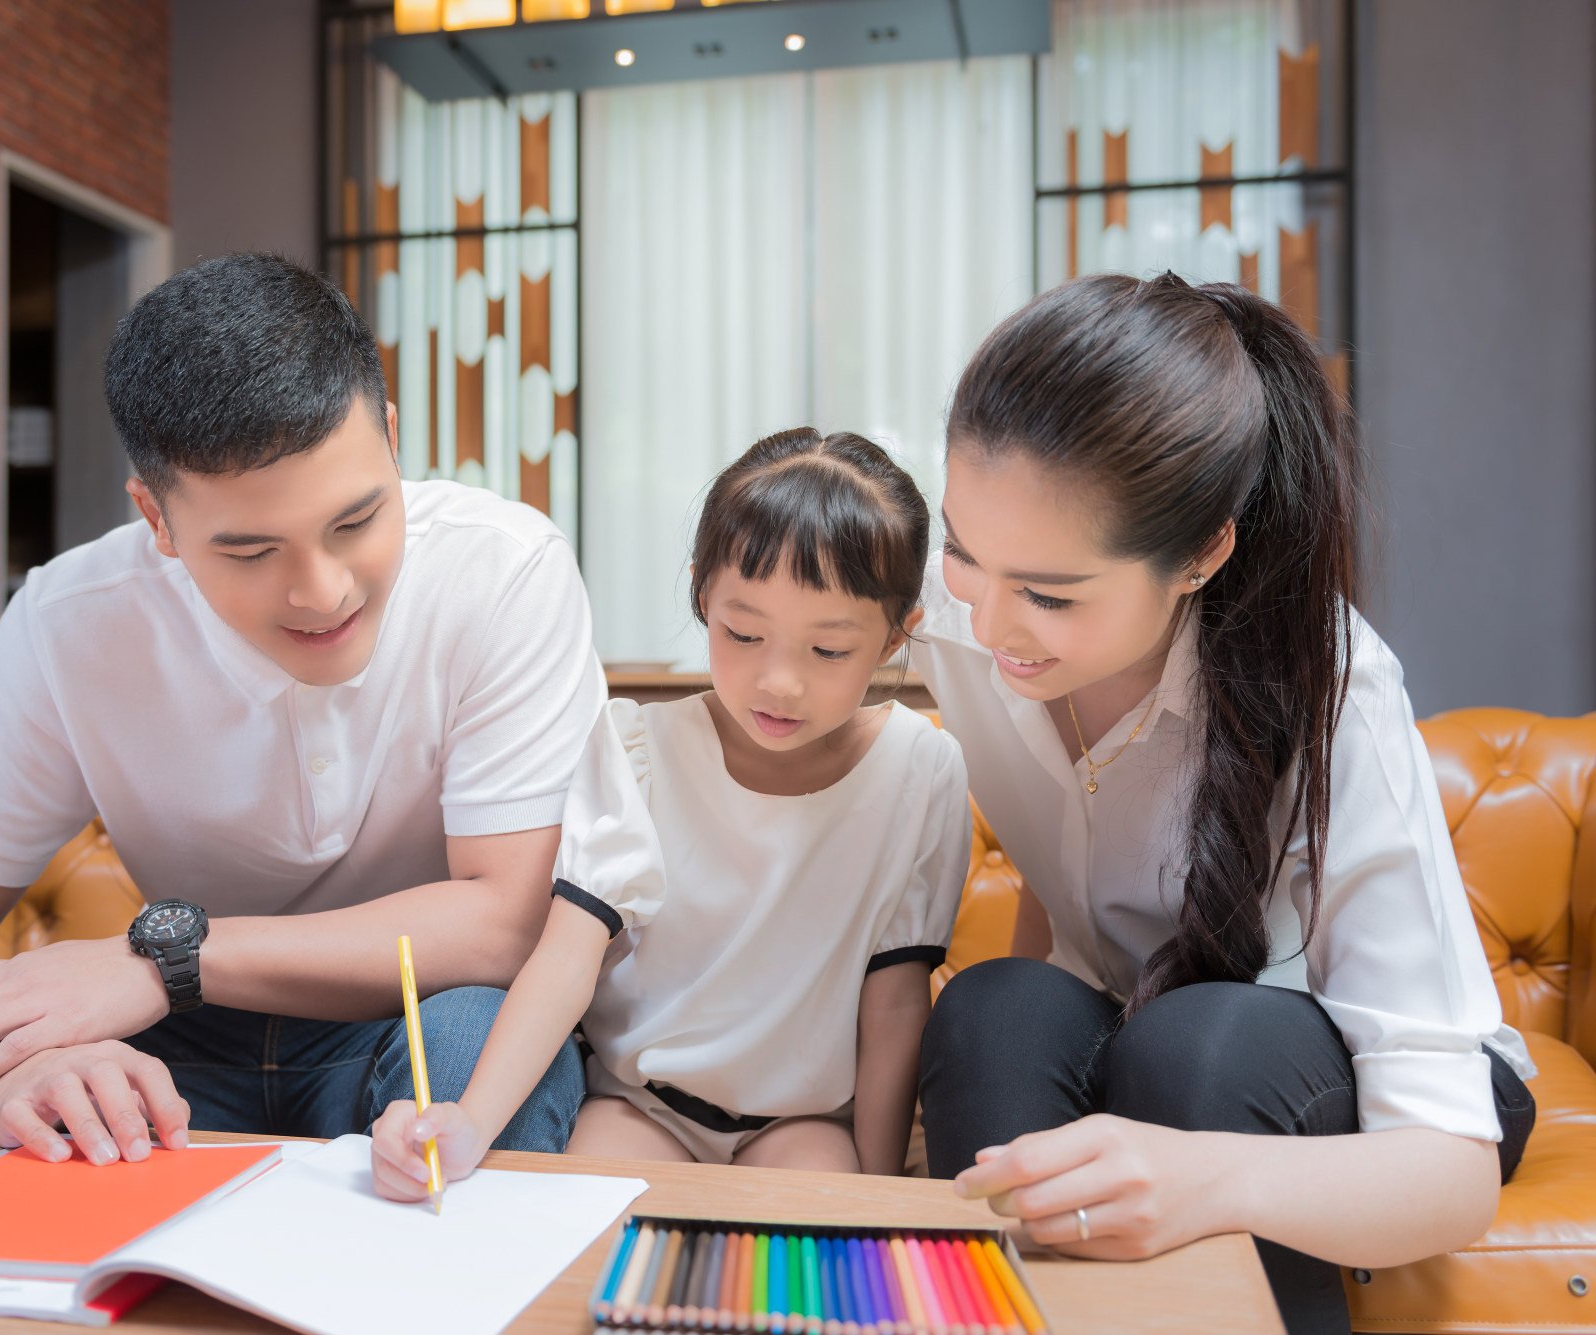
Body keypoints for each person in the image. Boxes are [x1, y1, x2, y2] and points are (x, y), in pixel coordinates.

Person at [0, 253, 603, 1163]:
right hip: (164, 1050)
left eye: (355, 521)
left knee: (483, 1042)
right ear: (157, 519)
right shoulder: (74, 618)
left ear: (391, 435)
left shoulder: (504, 570)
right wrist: (18, 1062)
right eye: (252, 551)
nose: (323, 591)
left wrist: (165, 962)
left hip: (398, 1023)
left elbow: (507, 923)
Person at [910, 272, 1536, 1334]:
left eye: (1050, 595)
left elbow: (1448, 1170)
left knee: (1196, 1044)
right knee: (993, 1011)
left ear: (1200, 553)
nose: (988, 624)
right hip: (1144, 1022)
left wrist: (1201, 1179)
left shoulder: (1328, 681)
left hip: (1374, 1100)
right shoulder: (956, 627)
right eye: (964, 553)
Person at [370, 427, 972, 1198]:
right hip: (641, 1104)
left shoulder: (921, 771)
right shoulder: (638, 747)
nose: (777, 682)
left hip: (801, 1124)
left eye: (828, 651)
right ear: (701, 595)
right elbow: (566, 956)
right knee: (585, 1224)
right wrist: (472, 1121)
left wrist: (887, 1192)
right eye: (744, 633)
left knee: (821, 1243)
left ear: (895, 634)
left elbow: (893, 1008)